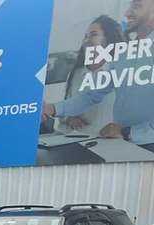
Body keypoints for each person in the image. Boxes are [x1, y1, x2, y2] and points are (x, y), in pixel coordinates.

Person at [43, 0, 154, 147]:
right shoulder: (124, 53)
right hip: (122, 144)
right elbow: (92, 95)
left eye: (137, 6)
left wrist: (128, 132)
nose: (127, 13)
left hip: (147, 145)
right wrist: (53, 108)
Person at [55, 16, 123, 133]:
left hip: (104, 140)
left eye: (93, 35)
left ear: (108, 39)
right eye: (85, 36)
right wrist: (69, 118)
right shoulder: (76, 74)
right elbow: (63, 111)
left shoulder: (120, 73)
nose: (86, 40)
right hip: (72, 138)